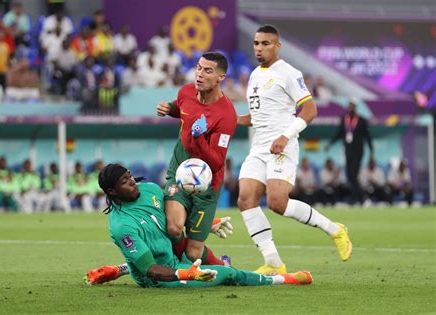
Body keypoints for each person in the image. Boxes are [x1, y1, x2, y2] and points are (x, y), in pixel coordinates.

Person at [236, 25, 352, 276]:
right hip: (259, 146)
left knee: (277, 203)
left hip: (283, 144)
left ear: (277, 46)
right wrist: (233, 119)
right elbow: (258, 117)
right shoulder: (255, 75)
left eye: (266, 43)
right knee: (245, 199)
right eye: (256, 43)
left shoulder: (288, 72)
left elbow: (310, 110)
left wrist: (285, 136)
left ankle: (335, 230)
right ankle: (274, 262)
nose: (259, 48)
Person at [84, 163, 312, 287]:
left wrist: (205, 225)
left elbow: (177, 215)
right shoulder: (121, 226)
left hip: (174, 256)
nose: (132, 181)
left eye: (130, 176)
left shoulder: (150, 189)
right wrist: (188, 274)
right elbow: (150, 270)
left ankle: (120, 268)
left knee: (197, 246)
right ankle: (283, 279)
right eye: (124, 181)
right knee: (227, 275)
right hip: (159, 279)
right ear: (112, 192)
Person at [156, 52, 237, 264]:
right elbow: (182, 107)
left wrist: (198, 137)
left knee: (193, 253)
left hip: (207, 184)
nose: (200, 74)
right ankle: (178, 264)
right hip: (180, 171)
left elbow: (217, 161)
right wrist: (169, 109)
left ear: (221, 77)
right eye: (199, 68)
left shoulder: (227, 115)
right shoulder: (186, 91)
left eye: (208, 71)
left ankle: (223, 264)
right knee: (173, 229)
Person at [326, 99, 374, 204]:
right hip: (348, 151)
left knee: (353, 175)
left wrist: (371, 151)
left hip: (358, 151)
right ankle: (359, 198)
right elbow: (339, 133)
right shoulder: (344, 119)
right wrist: (330, 144)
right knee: (350, 175)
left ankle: (361, 198)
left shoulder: (361, 120)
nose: (350, 108)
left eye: (352, 106)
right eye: (349, 106)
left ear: (355, 107)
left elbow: (368, 136)